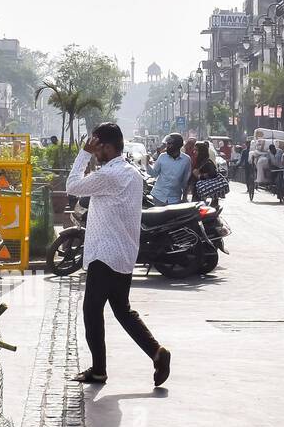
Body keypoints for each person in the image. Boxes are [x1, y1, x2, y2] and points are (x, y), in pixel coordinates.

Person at [65, 123, 170, 388]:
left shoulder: (111, 175)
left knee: (91, 311)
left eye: (97, 146)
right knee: (122, 310)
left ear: (108, 147)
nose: (94, 150)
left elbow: (72, 186)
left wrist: (83, 154)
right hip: (123, 252)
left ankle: (99, 370)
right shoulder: (131, 173)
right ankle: (157, 352)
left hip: (105, 254)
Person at [150, 133, 192, 207]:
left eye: (170, 144)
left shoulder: (186, 160)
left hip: (174, 199)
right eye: (167, 143)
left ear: (178, 145)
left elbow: (185, 181)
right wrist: (146, 164)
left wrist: (184, 198)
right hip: (158, 196)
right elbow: (154, 173)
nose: (167, 146)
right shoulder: (162, 157)